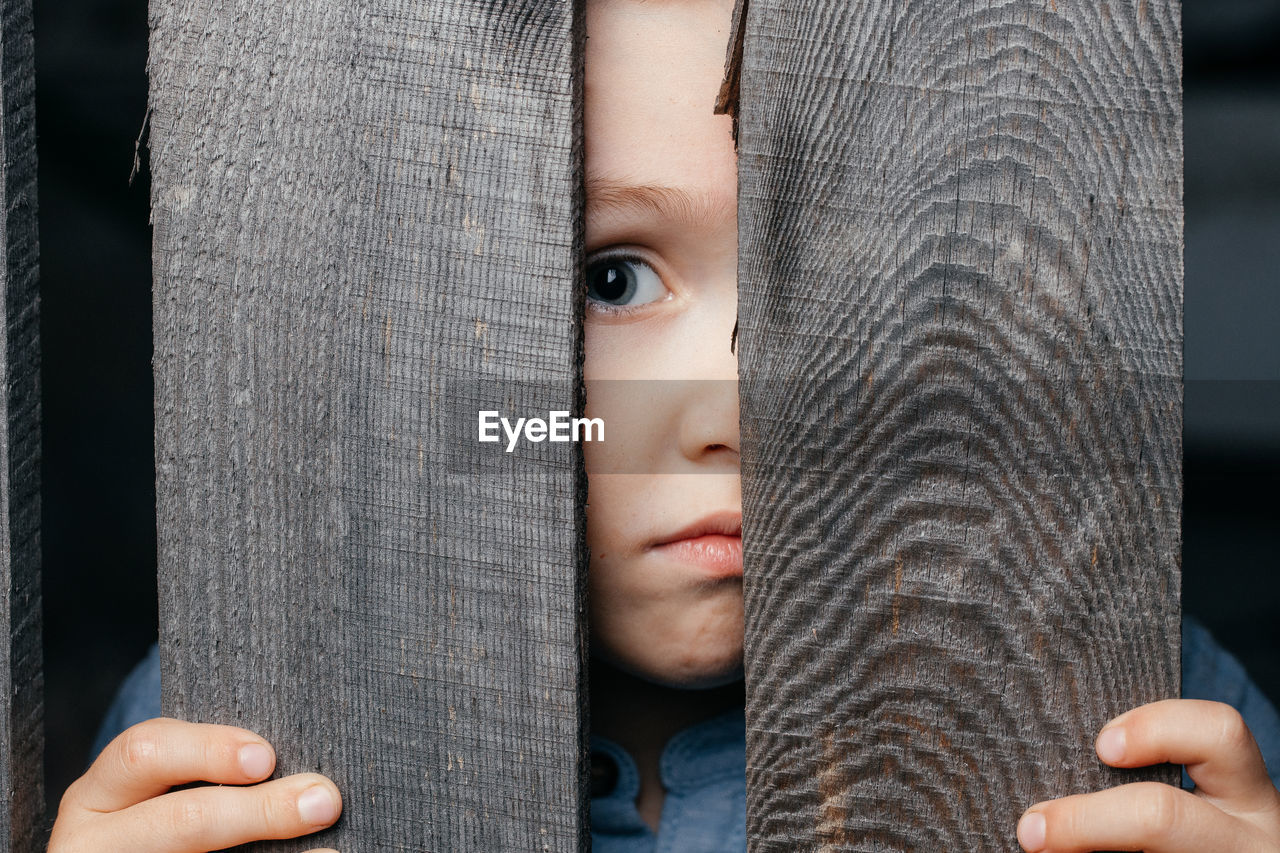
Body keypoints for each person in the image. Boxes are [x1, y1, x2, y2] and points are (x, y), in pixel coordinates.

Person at [50, 0, 1280, 850]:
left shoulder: (1149, 716)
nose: (736, 415)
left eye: (846, 288)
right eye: (612, 279)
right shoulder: (233, 719)